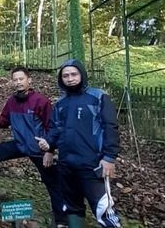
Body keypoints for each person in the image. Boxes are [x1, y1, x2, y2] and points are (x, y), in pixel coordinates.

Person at [0, 67, 67, 227]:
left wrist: (50, 150)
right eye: (15, 80)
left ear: (29, 80)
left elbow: (52, 127)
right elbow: (4, 122)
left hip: (38, 149)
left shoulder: (41, 101)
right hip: (19, 145)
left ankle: (62, 221)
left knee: (53, 182)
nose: (18, 82)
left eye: (21, 79)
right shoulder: (12, 101)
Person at [36, 59, 121, 228]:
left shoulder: (98, 97)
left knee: (103, 209)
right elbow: (55, 128)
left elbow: (111, 126)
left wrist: (110, 157)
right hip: (67, 164)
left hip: (93, 164)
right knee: (72, 207)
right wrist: (49, 147)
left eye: (74, 74)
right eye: (65, 75)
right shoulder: (60, 104)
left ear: (82, 74)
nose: (70, 78)